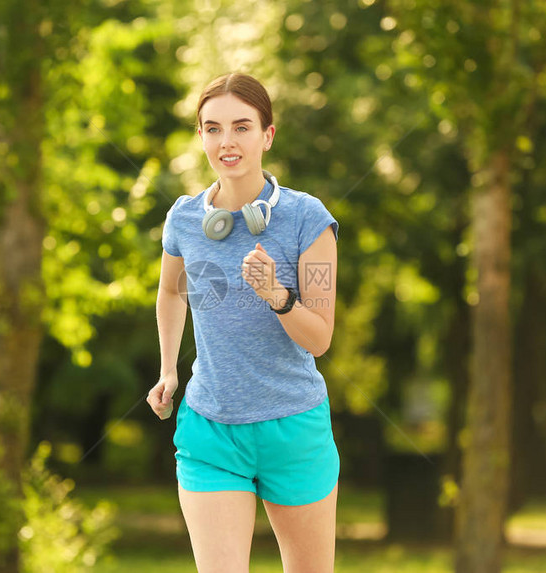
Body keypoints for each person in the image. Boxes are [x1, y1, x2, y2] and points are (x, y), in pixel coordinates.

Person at [147, 72, 340, 573]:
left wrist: (278, 296)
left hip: (294, 429)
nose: (226, 142)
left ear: (267, 135)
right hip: (211, 430)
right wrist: (169, 369)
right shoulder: (185, 219)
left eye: (241, 127)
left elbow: (319, 338)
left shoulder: (308, 221)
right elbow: (171, 290)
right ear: (201, 137)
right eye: (213, 129)